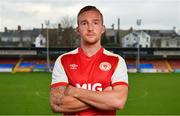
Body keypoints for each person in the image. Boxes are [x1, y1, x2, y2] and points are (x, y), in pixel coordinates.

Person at [50, 5, 128, 115]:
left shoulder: (116, 61)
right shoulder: (63, 60)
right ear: (78, 29)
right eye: (84, 23)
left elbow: (118, 101)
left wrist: (74, 91)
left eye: (95, 23)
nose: (90, 28)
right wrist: (103, 96)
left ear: (102, 29)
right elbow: (56, 104)